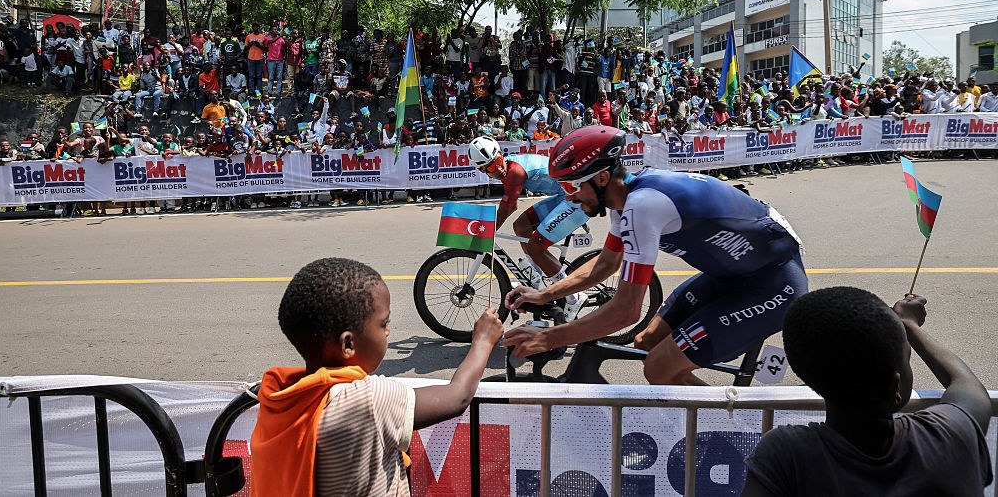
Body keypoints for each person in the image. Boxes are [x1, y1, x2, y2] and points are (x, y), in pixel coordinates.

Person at [503, 125, 808, 385]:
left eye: (571, 185)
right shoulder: (625, 199)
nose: (567, 196)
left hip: (772, 285)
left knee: (660, 367)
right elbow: (607, 264)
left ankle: (740, 434)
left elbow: (626, 311)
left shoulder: (643, 205)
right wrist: (545, 295)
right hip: (732, 276)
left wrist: (549, 338)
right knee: (646, 342)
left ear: (601, 179)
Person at [250, 258, 503, 497]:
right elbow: (456, 397)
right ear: (348, 344)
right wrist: (482, 341)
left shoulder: (278, 394)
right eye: (383, 324)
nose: (388, 331)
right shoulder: (368, 400)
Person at [742, 289, 992, 496]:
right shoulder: (949, 435)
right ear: (895, 388)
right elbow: (965, 384)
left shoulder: (786, 454)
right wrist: (909, 326)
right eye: (906, 358)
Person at [467, 136, 589, 320]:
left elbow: (507, 208)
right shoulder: (507, 171)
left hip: (578, 198)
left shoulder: (514, 171)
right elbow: (512, 207)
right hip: (563, 194)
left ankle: (573, 296)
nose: (498, 168)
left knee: (535, 247)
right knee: (521, 226)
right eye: (491, 167)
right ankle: (537, 276)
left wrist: (486, 233)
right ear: (482, 170)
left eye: (498, 161)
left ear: (502, 154)